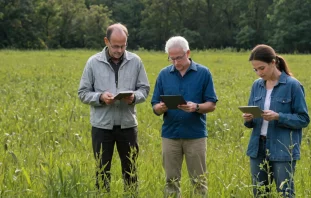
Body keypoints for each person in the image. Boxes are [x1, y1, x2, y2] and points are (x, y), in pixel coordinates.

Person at [78, 23, 150, 193]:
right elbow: (83, 93)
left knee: (131, 171)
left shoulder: (136, 61)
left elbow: (144, 89)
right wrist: (100, 97)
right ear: (106, 41)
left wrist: (134, 98)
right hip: (102, 127)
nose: (119, 50)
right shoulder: (93, 62)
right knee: (102, 172)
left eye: (123, 45)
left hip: (128, 126)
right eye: (115, 46)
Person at [151, 36, 218, 197]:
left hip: (195, 135)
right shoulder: (163, 75)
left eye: (178, 58)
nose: (175, 62)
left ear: (188, 53)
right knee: (171, 181)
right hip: (170, 134)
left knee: (199, 181)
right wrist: (160, 107)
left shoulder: (203, 73)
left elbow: (212, 104)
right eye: (171, 58)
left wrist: (196, 107)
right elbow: (154, 105)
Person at [242, 44, 310, 197]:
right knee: (259, 193)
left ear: (273, 63)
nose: (259, 73)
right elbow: (251, 122)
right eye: (255, 70)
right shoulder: (257, 86)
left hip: (283, 148)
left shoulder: (293, 85)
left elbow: (304, 119)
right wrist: (248, 119)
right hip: (257, 147)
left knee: (285, 193)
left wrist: (278, 116)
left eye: (262, 68)